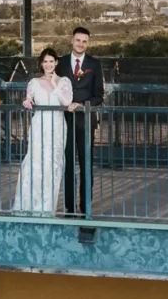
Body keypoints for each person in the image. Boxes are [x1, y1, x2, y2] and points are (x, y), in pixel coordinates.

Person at [12, 48, 72, 216]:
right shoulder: (34, 82)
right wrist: (26, 101)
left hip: (57, 125)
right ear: (41, 63)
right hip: (39, 124)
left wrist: (54, 84)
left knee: (52, 164)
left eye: (51, 61)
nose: (48, 65)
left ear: (56, 63)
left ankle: (45, 207)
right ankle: (26, 204)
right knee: (34, 162)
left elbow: (67, 102)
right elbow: (29, 98)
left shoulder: (64, 81)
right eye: (45, 62)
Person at [58, 26, 103, 216]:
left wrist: (82, 105)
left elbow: (99, 95)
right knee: (67, 164)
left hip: (85, 121)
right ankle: (69, 207)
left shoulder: (94, 63)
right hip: (64, 121)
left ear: (88, 43)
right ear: (72, 40)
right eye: (78, 40)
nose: (81, 44)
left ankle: (86, 206)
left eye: (85, 41)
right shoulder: (60, 63)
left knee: (86, 164)